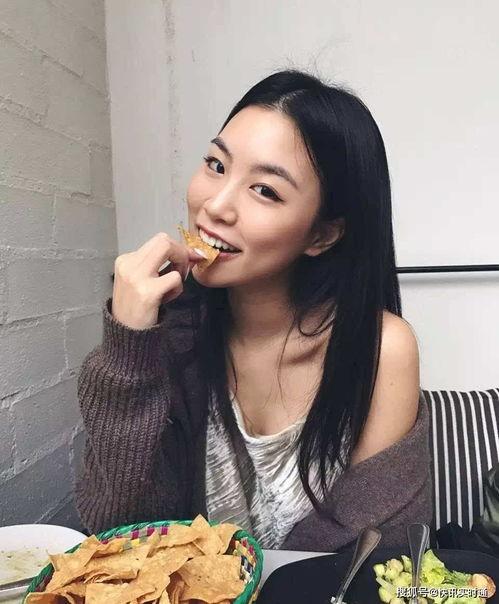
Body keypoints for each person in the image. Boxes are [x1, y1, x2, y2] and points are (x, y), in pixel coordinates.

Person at [75, 69, 432, 552]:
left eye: (265, 190)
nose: (215, 206)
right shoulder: (172, 331)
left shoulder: (379, 348)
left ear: (323, 234)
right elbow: (118, 533)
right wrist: (128, 348)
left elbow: (381, 553)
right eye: (216, 165)